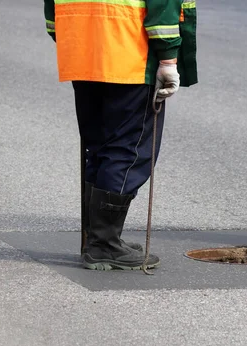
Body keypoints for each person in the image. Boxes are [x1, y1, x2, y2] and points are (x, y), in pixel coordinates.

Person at [44, 0, 197, 270]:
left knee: (100, 144)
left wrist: (70, 36)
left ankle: (97, 239)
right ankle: (103, 245)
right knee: (128, 148)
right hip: (129, 50)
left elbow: (52, 11)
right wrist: (168, 58)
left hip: (82, 46)